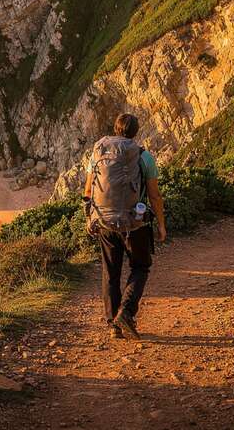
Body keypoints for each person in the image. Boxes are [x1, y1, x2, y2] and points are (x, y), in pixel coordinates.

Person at [83, 113, 167, 340]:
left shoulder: (99, 151)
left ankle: (113, 325)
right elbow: (154, 195)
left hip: (105, 222)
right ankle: (126, 312)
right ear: (136, 132)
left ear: (115, 129)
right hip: (135, 223)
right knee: (140, 267)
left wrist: (88, 218)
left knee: (110, 272)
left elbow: (89, 191)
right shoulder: (143, 157)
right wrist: (161, 225)